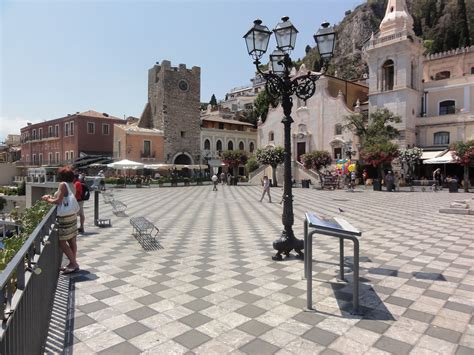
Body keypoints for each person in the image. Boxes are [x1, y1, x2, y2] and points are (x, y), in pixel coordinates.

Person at [42, 167, 79, 274]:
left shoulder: (63, 184)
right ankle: (72, 263)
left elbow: (58, 201)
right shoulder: (72, 185)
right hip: (72, 215)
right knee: (72, 241)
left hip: (64, 218)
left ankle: (74, 264)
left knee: (62, 242)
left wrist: (47, 199)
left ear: (62, 176)